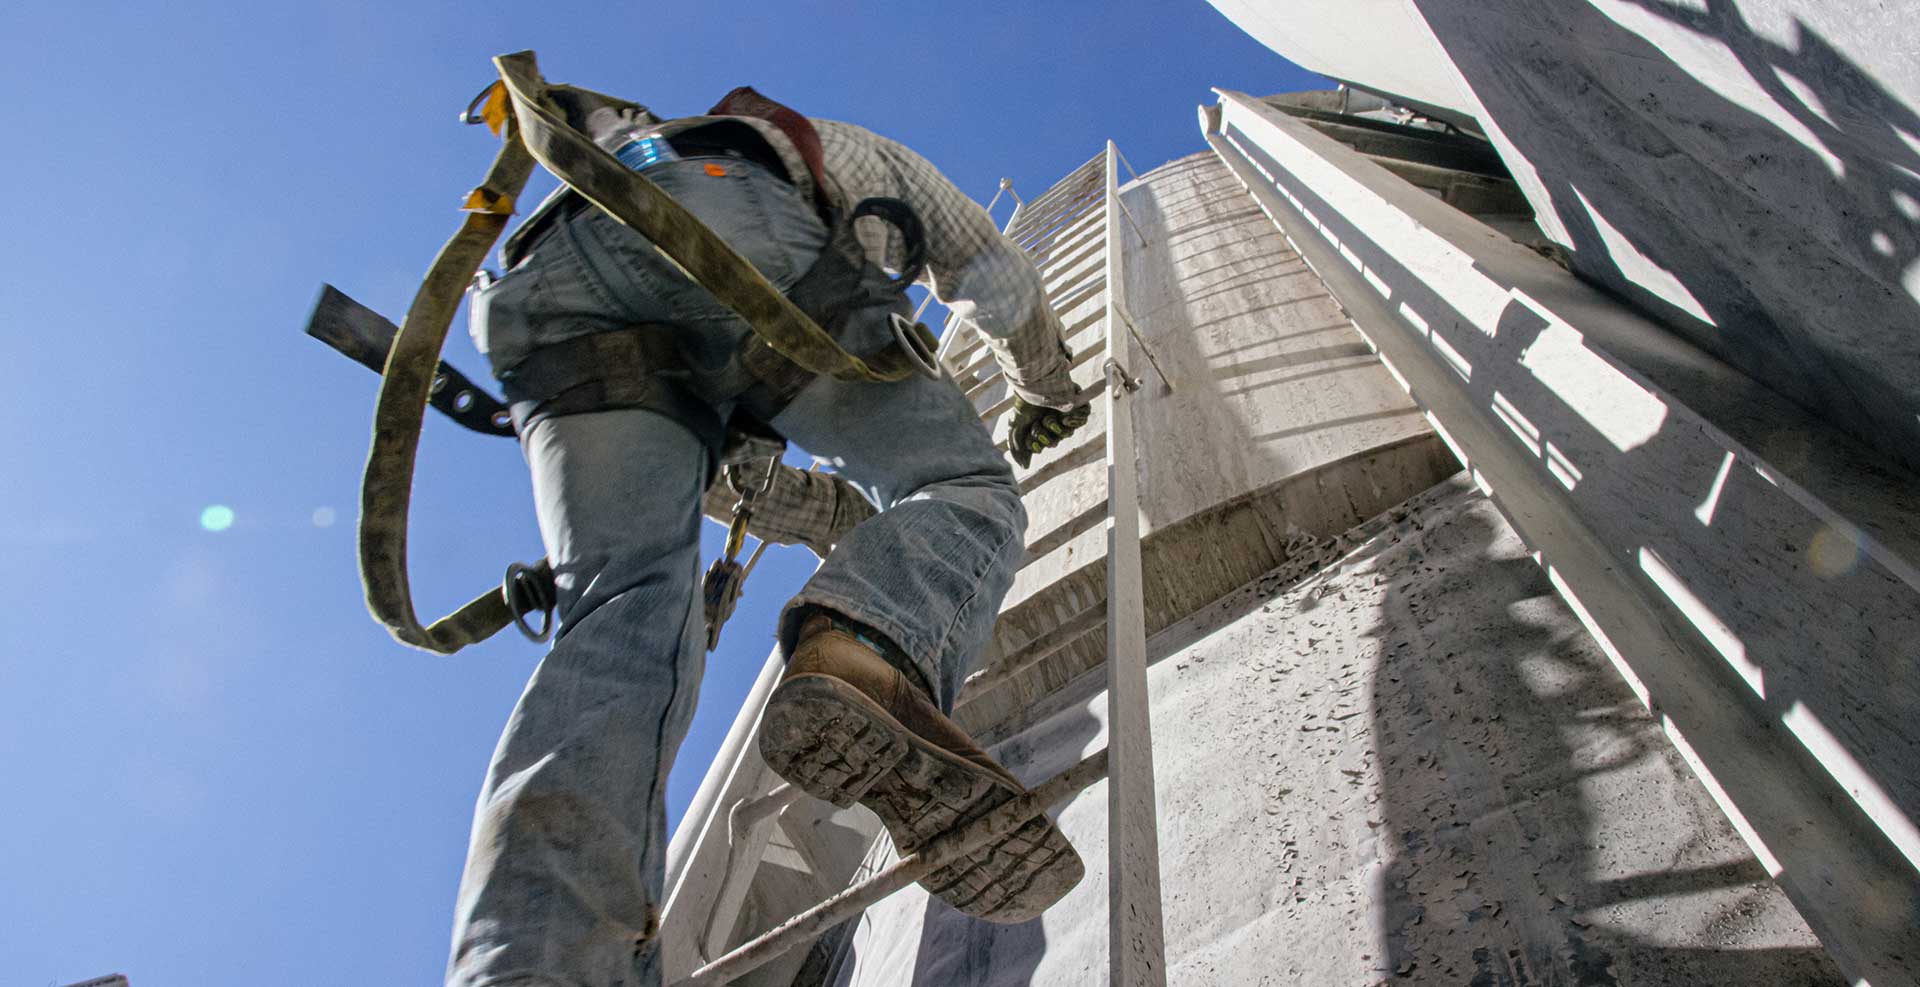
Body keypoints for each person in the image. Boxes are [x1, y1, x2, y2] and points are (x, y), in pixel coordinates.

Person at [447, 78, 1092, 987]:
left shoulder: (596, 171)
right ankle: (870, 649)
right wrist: (1045, 388)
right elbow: (985, 265)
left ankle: (533, 968)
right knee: (962, 484)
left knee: (620, 618)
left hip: (534, 298)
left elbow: (736, 483)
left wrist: (857, 541)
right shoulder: (826, 149)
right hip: (719, 222)